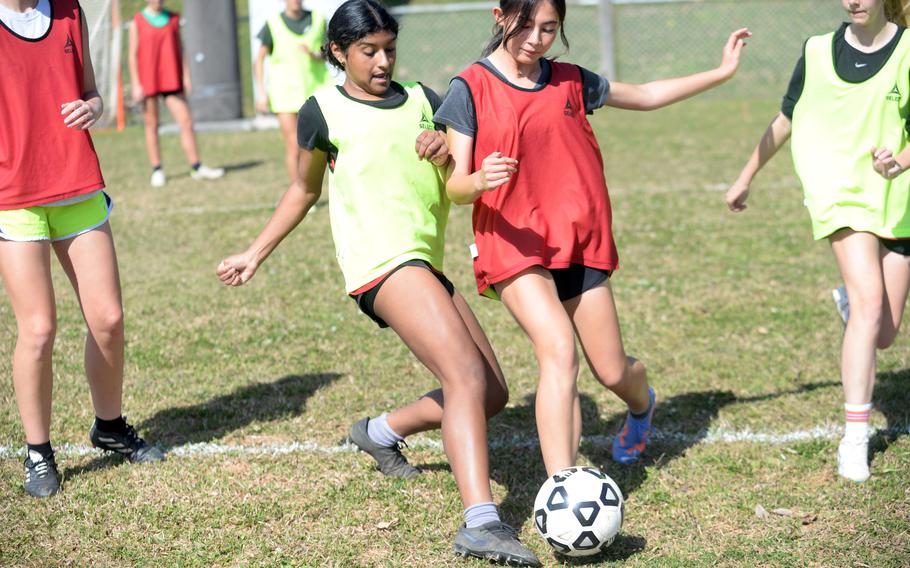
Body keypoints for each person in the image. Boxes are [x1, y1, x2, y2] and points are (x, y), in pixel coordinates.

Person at [217, 1, 539, 564]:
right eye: (369, 51)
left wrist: (443, 151)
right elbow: (303, 190)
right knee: (461, 374)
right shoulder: (322, 111)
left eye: (389, 48)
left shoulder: (423, 100)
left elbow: (460, 175)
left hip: (424, 260)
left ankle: (379, 432)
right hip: (381, 264)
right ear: (339, 52)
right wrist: (255, 252)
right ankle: (481, 522)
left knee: (490, 394)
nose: (383, 60)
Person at [436, 0, 749, 476]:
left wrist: (720, 73)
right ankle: (564, 485)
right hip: (513, 243)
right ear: (500, 16)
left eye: (549, 28)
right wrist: (479, 179)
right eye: (525, 26)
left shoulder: (571, 80)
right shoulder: (470, 87)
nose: (536, 39)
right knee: (559, 349)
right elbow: (456, 186)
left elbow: (644, 94)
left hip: (579, 240)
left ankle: (643, 406)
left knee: (612, 371)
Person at [726, 0, 910, 482]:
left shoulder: (909, 49)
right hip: (839, 193)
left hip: (897, 197)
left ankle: (851, 306)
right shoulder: (815, 51)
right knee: (871, 307)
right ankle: (855, 437)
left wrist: (901, 161)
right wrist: (747, 176)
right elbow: (786, 117)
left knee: (883, 332)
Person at [0, 0, 164, 498]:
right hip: (14, 198)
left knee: (108, 319)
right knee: (39, 329)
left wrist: (92, 107)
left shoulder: (70, 11)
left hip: (77, 186)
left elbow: (91, 92)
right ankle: (38, 452)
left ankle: (109, 427)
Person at [128, 0, 224, 187]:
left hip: (171, 79)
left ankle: (196, 166)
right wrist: (135, 83)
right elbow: (132, 54)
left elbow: (181, 50)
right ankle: (157, 169)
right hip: (148, 80)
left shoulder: (173, 19)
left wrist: (186, 76)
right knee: (152, 124)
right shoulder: (137, 21)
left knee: (186, 121)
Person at [255, 0, 333, 182]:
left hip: (316, 91)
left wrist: (315, 54)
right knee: (294, 145)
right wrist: (261, 92)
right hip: (284, 93)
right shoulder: (273, 23)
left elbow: (331, 50)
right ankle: (299, 191)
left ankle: (320, 184)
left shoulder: (318, 19)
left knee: (323, 144)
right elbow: (259, 60)